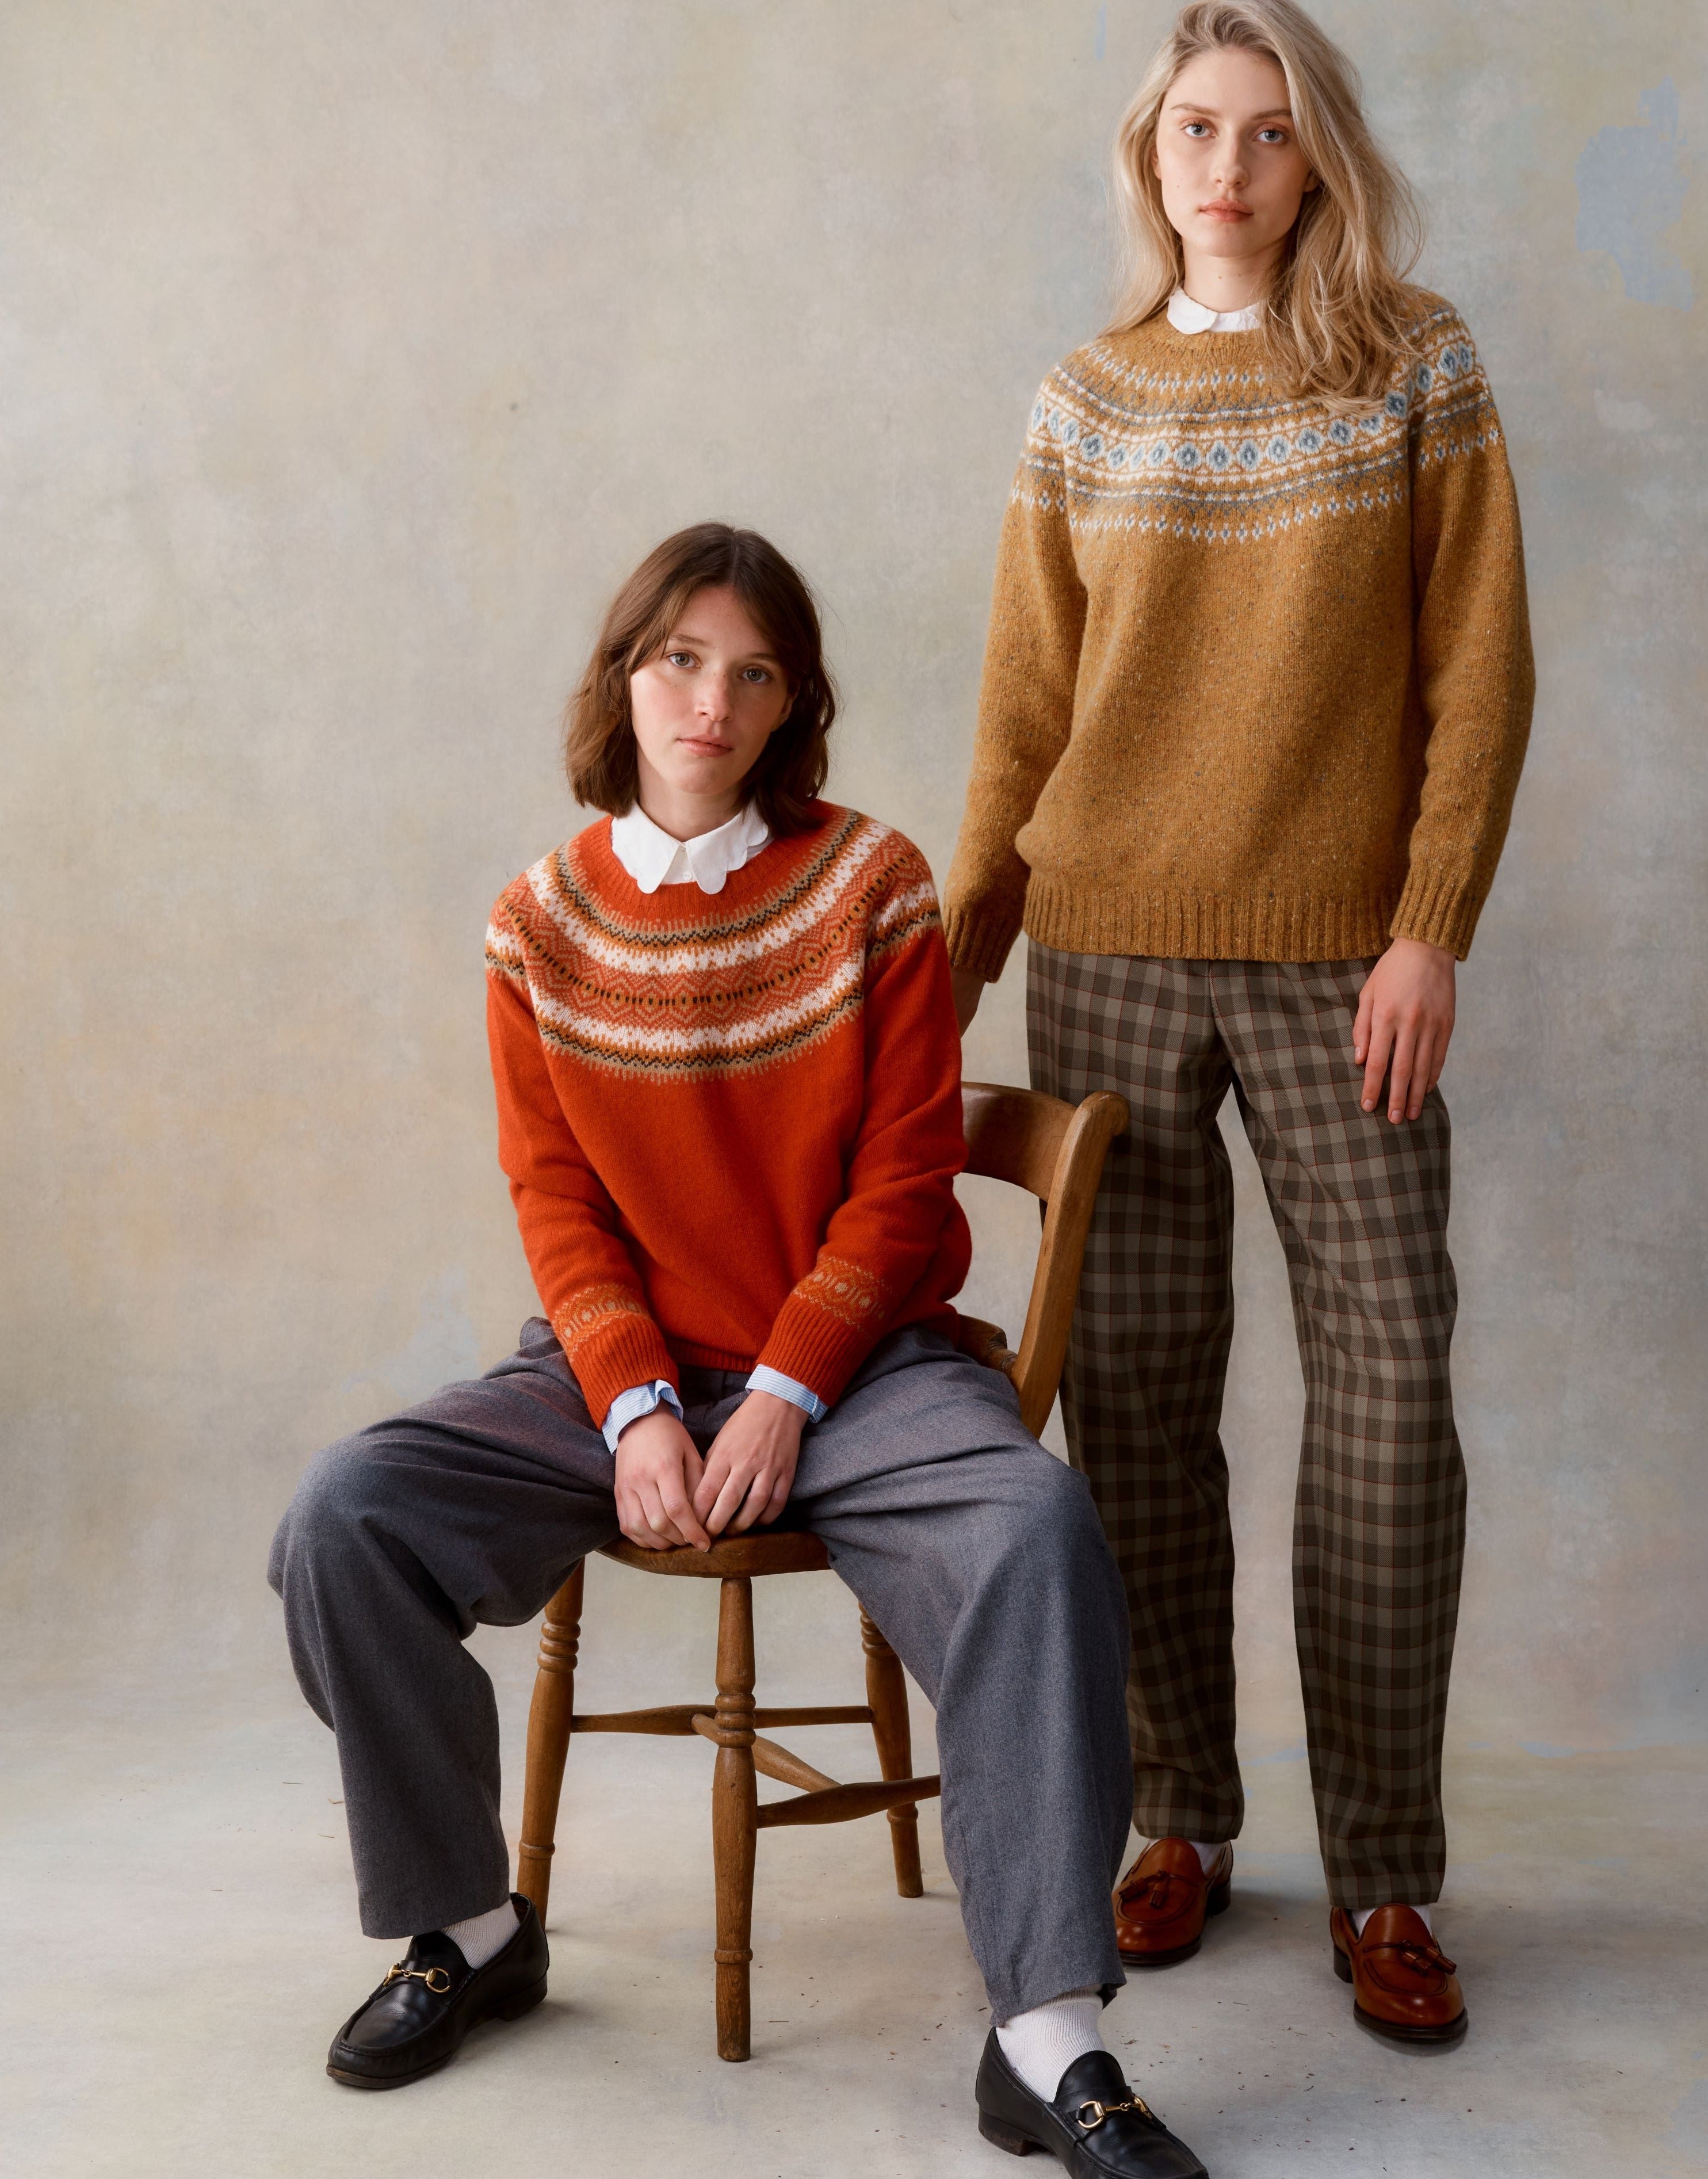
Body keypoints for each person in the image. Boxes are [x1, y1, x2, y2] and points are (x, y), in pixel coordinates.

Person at [270, 523, 1208, 2177]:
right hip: (613, 1370)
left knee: (1038, 1530)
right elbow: (556, 1199)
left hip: (868, 1366)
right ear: (623, 676)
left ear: (793, 706)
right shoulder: (537, 924)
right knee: (347, 1515)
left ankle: (1045, 2031)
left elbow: (902, 1171)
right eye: (679, 660)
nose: (711, 699)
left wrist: (781, 1390)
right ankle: (472, 1928)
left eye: (752, 671)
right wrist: (636, 1403)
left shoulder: (874, 883)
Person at [945, 0, 1534, 2048]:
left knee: (1386, 1383)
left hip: (1336, 957)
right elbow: (1024, 719)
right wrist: (949, 960)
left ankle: (1385, 1869)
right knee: (1135, 1396)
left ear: (1317, 164)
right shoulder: (1081, 401)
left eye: (1270, 134)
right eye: (1196, 127)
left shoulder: (1411, 364)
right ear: (1150, 151)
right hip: (1099, 948)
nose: (1227, 166)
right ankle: (1180, 1812)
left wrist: (1428, 926)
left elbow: (1478, 673)